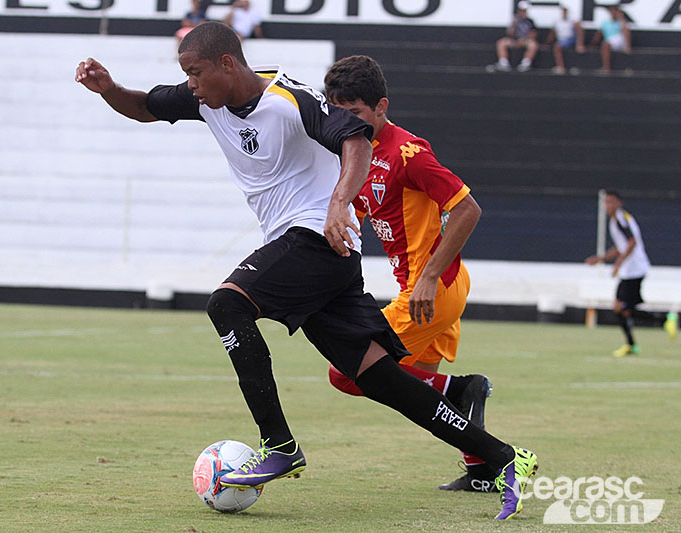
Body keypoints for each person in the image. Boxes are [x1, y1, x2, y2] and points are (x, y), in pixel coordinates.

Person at [75, 21, 537, 520]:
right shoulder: (206, 101)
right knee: (380, 380)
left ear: (228, 64)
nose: (189, 83)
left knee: (227, 303)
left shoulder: (291, 99)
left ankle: (279, 445)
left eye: (195, 72)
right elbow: (144, 106)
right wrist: (109, 90)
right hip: (317, 257)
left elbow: (356, 141)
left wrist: (340, 203)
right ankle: (505, 458)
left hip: (318, 237)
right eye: (186, 74)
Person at [323, 55, 499, 493]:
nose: (344, 122)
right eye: (337, 111)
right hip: (432, 288)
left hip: (432, 289)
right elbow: (365, 208)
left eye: (355, 113)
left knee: (346, 371)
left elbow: (467, 209)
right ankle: (483, 470)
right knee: (420, 398)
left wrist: (427, 277)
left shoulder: (408, 154)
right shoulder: (356, 152)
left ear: (381, 106)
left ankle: (462, 389)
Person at [585, 191, 655, 356]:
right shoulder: (616, 221)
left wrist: (618, 264)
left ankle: (667, 320)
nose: (608, 205)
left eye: (611, 202)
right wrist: (601, 258)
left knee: (620, 307)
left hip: (634, 269)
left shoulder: (621, 219)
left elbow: (631, 243)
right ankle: (633, 343)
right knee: (624, 309)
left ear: (619, 203)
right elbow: (621, 247)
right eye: (606, 202)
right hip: (631, 270)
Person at [493, 1, 538, 72]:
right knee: (501, 43)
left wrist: (523, 39)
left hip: (524, 40)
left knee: (533, 44)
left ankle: (526, 63)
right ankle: (503, 62)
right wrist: (514, 25)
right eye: (522, 11)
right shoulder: (515, 20)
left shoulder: (530, 21)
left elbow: (533, 34)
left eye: (525, 11)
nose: (523, 13)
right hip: (513, 40)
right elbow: (509, 33)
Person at [590, 5, 632, 73]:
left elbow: (626, 32)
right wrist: (592, 45)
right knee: (606, 44)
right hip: (609, 41)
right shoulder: (605, 22)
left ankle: (606, 67)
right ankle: (606, 66)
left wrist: (627, 46)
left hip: (619, 39)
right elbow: (599, 34)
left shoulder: (621, 22)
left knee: (606, 43)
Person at [547, 5, 585, 74]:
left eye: (565, 11)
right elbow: (552, 34)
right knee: (557, 45)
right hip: (560, 40)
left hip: (570, 39)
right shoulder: (556, 21)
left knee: (557, 47)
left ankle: (561, 67)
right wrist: (547, 43)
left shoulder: (572, 21)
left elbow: (580, 31)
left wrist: (580, 44)